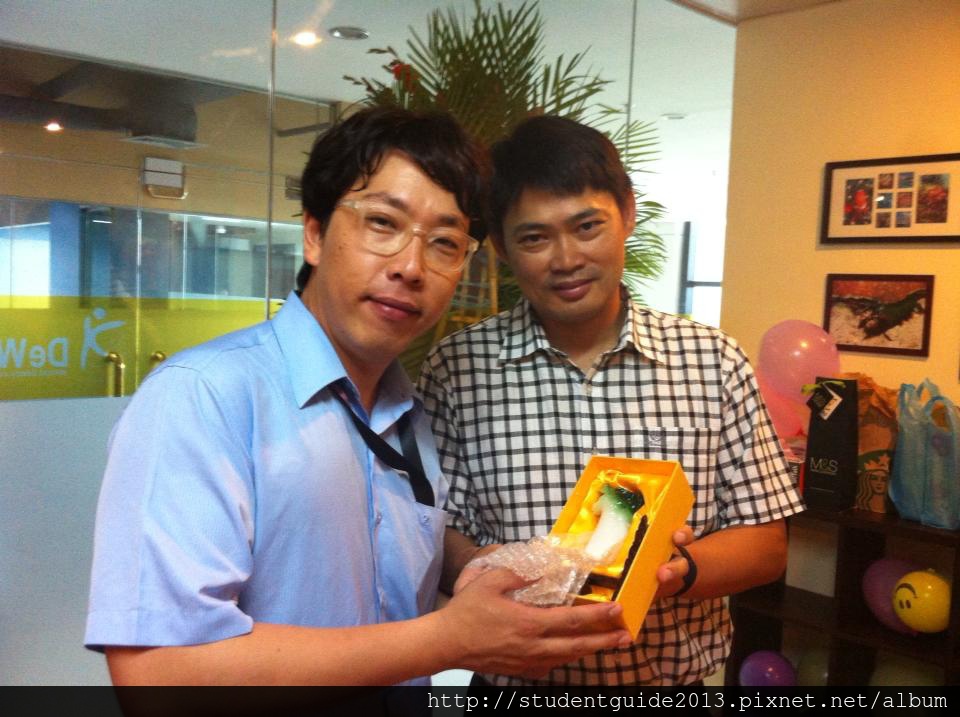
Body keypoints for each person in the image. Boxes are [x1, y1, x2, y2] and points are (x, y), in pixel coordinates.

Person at [84, 107, 632, 689]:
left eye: (445, 243)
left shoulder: (409, 418)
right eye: (382, 224)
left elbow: (394, 608)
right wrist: (448, 638)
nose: (411, 267)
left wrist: (504, 575)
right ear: (315, 234)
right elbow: (157, 677)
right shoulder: (205, 396)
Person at [418, 115, 806, 686]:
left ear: (627, 212)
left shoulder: (712, 360)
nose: (566, 259)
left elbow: (766, 543)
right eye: (534, 238)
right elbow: (437, 531)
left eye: (587, 226)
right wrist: (488, 569)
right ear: (500, 246)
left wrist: (672, 569)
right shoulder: (456, 369)